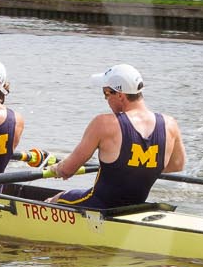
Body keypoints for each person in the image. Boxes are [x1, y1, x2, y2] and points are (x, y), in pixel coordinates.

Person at [50, 64, 185, 211]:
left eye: (106, 93)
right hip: (134, 207)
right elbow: (177, 165)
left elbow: (68, 169)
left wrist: (57, 168)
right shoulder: (170, 124)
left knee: (54, 200)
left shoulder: (104, 123)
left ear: (120, 95)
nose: (105, 99)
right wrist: (137, 168)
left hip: (99, 205)